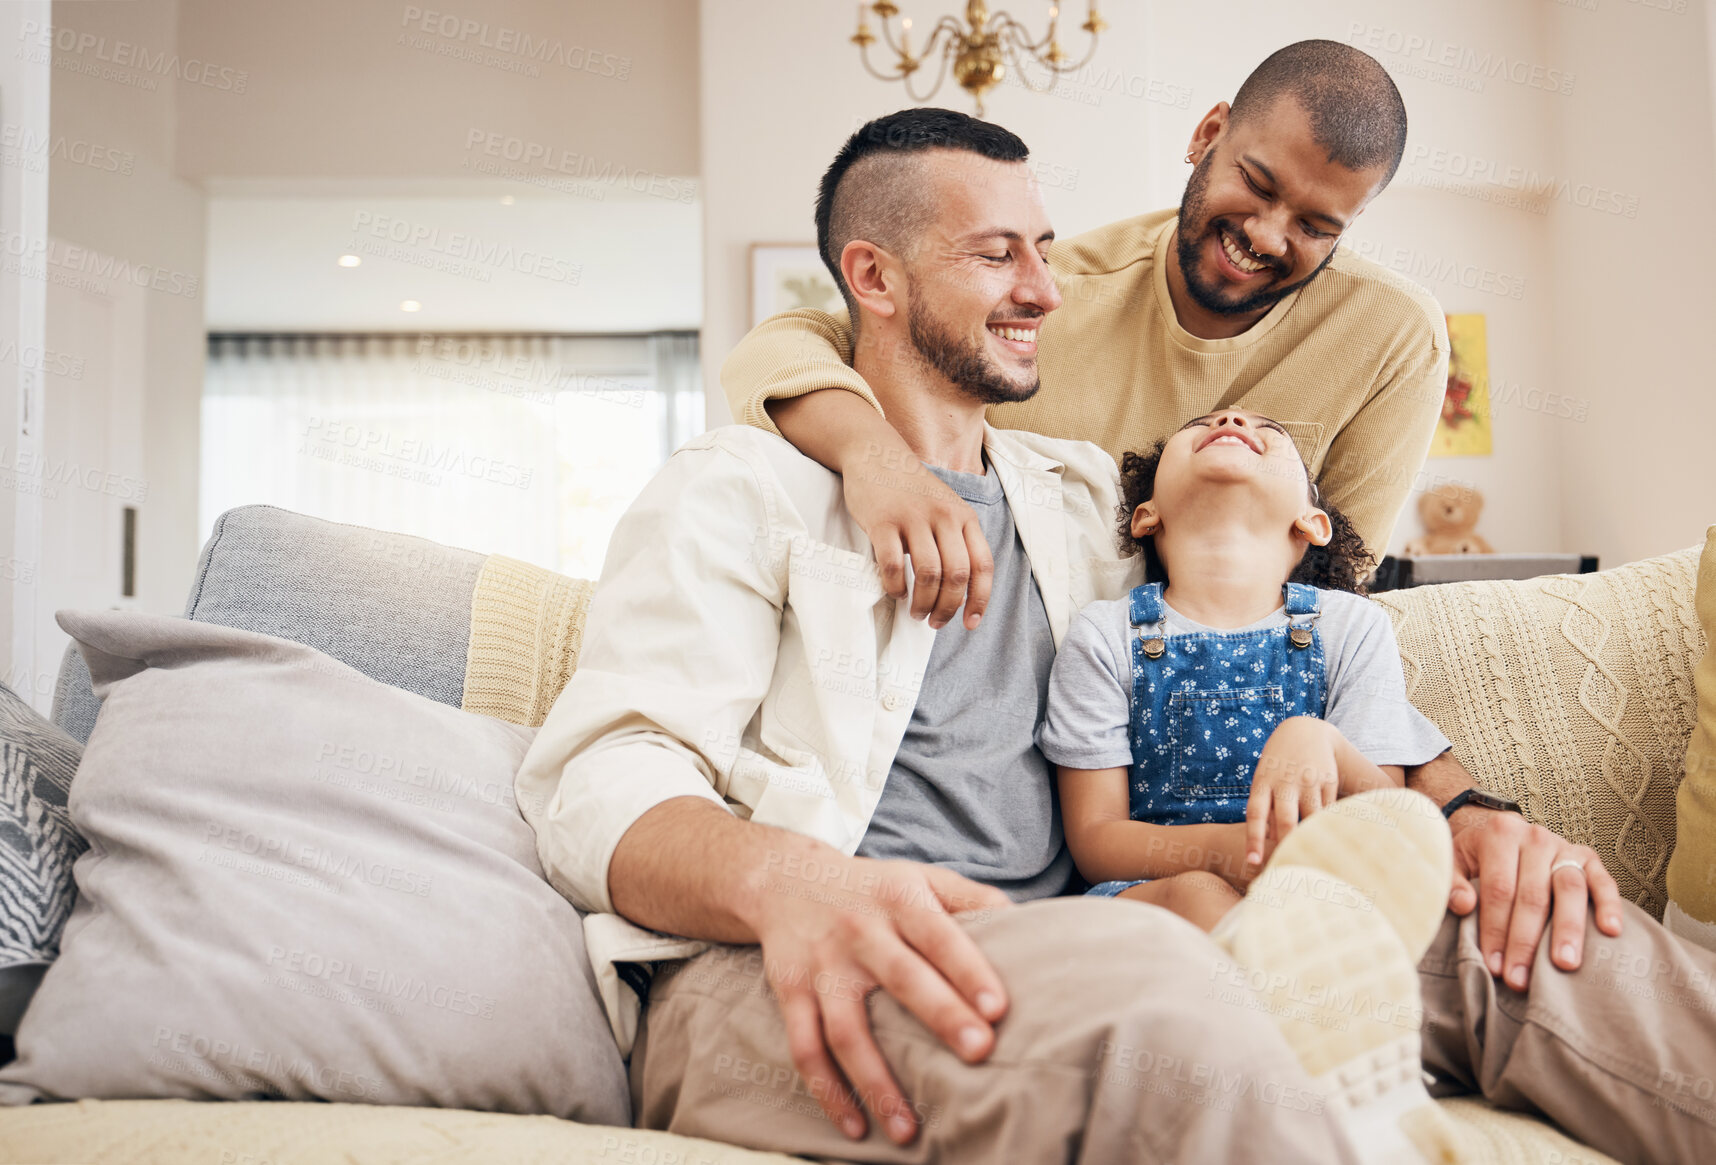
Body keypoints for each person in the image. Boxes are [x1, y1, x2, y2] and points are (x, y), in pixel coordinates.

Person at [518, 107, 1716, 1165]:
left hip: (1096, 928)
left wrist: (1470, 815)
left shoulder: (1085, 495)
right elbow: (600, 778)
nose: (1046, 287)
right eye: (998, 254)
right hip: (789, 966)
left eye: (1044, 248)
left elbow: (1271, 630)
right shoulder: (737, 490)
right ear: (873, 280)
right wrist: (799, 884)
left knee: (1513, 939)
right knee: (1171, 1004)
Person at [724, 37, 1627, 1011]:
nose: (1270, 235)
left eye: (1318, 223)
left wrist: (1466, 805)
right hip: (1125, 815)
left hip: (1302, 792)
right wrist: (874, 456)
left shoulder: (1392, 336)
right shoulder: (1055, 295)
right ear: (1206, 137)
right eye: (1256, 183)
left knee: (1551, 966)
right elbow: (787, 341)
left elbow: (1329, 604)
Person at [1041, 410, 1450, 932]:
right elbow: (1096, 841)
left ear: (1311, 522)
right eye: (1198, 424)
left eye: (1272, 432)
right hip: (1146, 897)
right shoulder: (1103, 636)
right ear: (1146, 515)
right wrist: (1231, 854)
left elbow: (1382, 819)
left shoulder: (1353, 627)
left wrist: (1318, 740)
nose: (1232, 419)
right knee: (1198, 893)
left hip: (1312, 888)